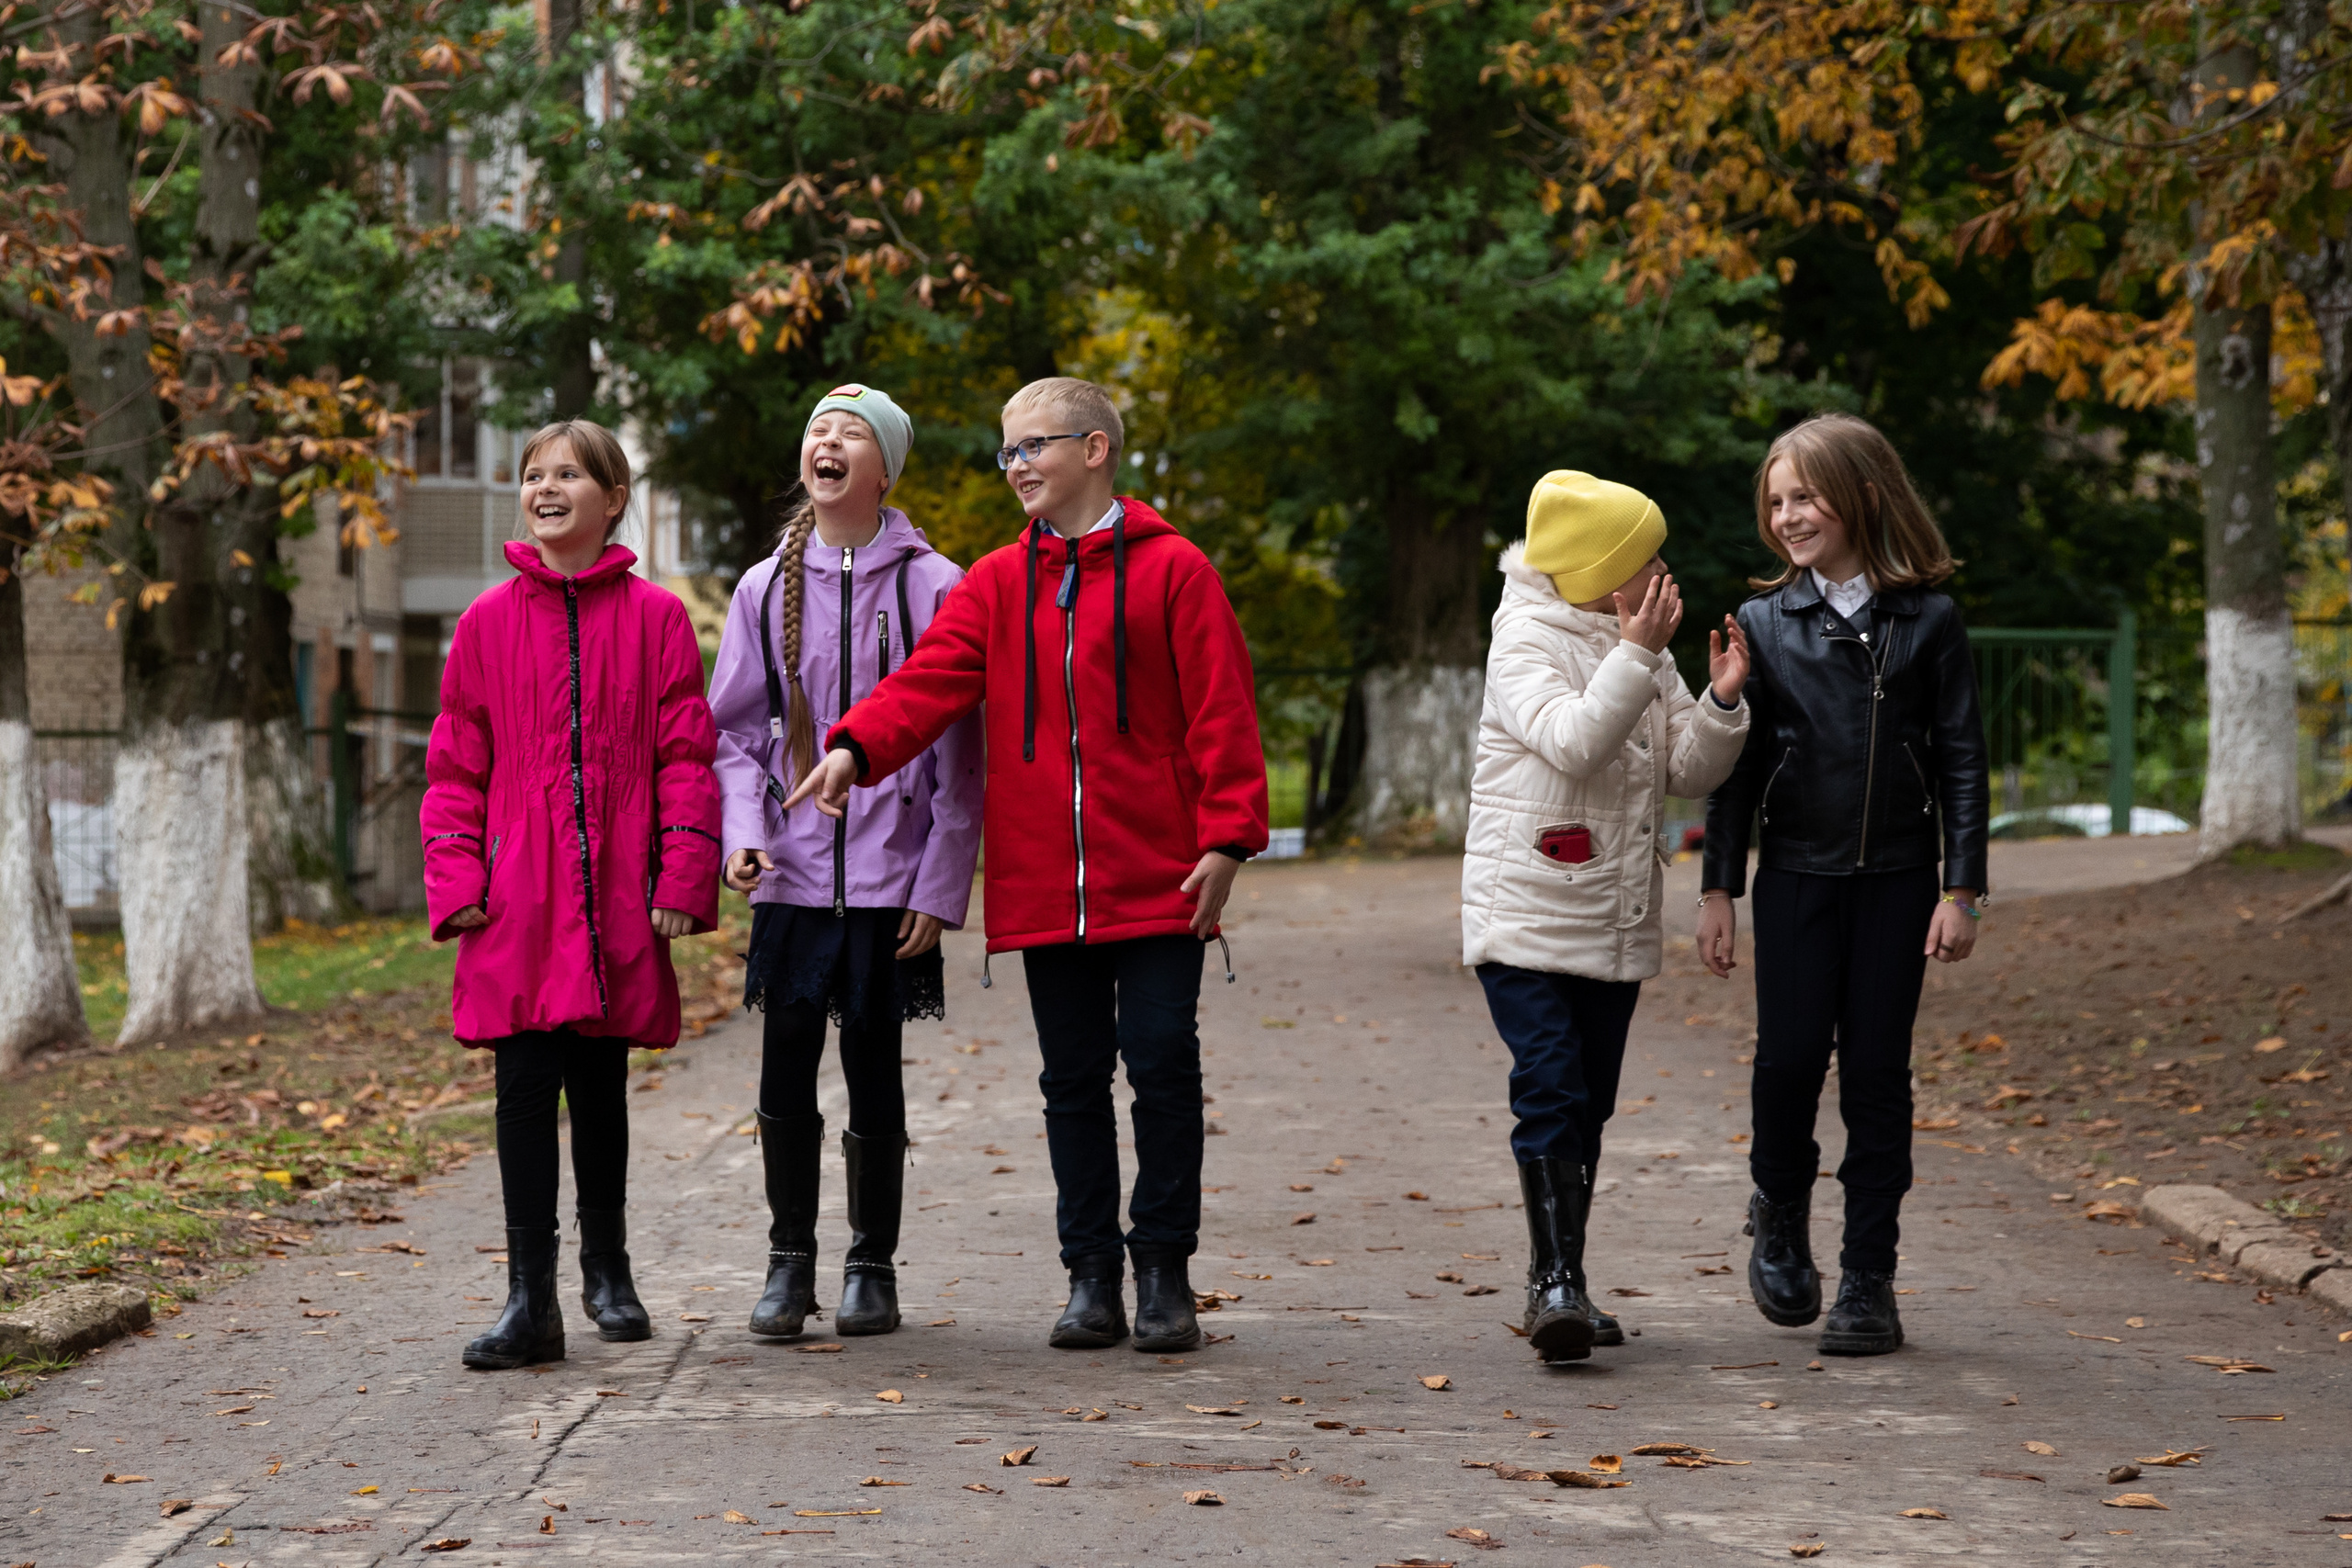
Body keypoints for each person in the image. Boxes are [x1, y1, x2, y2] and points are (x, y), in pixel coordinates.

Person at [786, 376, 1269, 1354]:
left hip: (1164, 875)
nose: (1016, 466)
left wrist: (1227, 838)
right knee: (1072, 1081)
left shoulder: (1176, 570)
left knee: (1163, 1066)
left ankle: (1163, 1270)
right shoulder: (999, 583)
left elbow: (1222, 708)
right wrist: (854, 746)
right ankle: (1090, 1276)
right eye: (1006, 451)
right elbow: (928, 681)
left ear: (1094, 449)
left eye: (1033, 446)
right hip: (1045, 879)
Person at [422, 420, 722, 1371]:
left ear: (613, 498)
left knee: (599, 1084)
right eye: (533, 474)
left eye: (567, 474)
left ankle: (609, 1268)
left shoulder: (657, 619)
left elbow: (685, 757)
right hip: (517, 895)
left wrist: (682, 874)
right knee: (522, 1089)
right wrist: (457, 878)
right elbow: (455, 767)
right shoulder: (485, 622)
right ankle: (530, 1300)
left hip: (616, 889)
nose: (545, 488)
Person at [1698, 412, 1990, 1357]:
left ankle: (1869, 1275)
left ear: (1863, 495)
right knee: (1787, 1064)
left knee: (1875, 1075)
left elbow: (1961, 759)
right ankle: (1779, 1212)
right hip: (1794, 879)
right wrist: (1717, 889)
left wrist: (1962, 889)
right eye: (1775, 501)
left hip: (1897, 883)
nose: (1787, 516)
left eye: (1805, 496)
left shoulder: (1930, 620)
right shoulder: (1761, 624)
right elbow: (1734, 772)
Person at [707, 384, 981, 1340]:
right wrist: (743, 833)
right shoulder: (761, 587)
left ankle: (872, 1264)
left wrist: (938, 884)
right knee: (784, 1064)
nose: (828, 442)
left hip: (889, 877)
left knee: (874, 1066)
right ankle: (789, 1262)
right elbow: (735, 735)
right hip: (789, 872)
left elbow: (960, 752)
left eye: (852, 434)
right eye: (818, 429)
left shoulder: (937, 585)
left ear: (884, 470)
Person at [1462, 472, 1751, 1364]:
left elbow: (1683, 770)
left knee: (1588, 1102)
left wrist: (1721, 701)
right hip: (1525, 916)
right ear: (1596, 571)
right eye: (1645, 557)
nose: (1663, 570)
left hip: (1611, 917)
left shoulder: (1644, 649)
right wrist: (1635, 654)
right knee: (1549, 1085)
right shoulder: (1524, 639)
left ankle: (1565, 1285)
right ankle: (1553, 1282)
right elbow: (1575, 742)